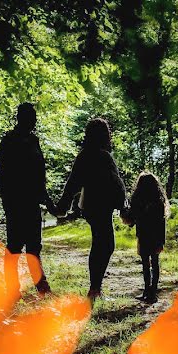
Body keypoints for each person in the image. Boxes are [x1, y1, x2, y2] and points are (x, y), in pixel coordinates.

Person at [54, 118, 126, 300]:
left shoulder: (84, 155)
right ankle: (95, 289)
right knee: (106, 244)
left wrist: (63, 205)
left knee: (101, 243)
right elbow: (117, 183)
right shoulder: (102, 155)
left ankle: (95, 289)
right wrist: (123, 205)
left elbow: (72, 183)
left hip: (90, 205)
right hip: (101, 205)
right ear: (105, 135)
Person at [0, 102, 52, 298]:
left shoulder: (34, 141)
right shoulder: (8, 141)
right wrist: (7, 200)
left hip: (32, 202)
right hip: (15, 202)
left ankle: (41, 287)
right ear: (21, 118)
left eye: (34, 117)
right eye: (31, 117)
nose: (34, 120)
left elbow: (40, 174)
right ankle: (13, 289)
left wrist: (46, 199)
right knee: (14, 247)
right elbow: (1, 175)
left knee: (34, 247)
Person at [120, 172, 169, 304]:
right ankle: (151, 291)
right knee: (153, 263)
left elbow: (131, 221)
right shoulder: (157, 201)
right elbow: (161, 223)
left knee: (147, 264)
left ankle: (149, 291)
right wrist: (162, 241)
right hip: (153, 237)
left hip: (144, 236)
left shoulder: (139, 201)